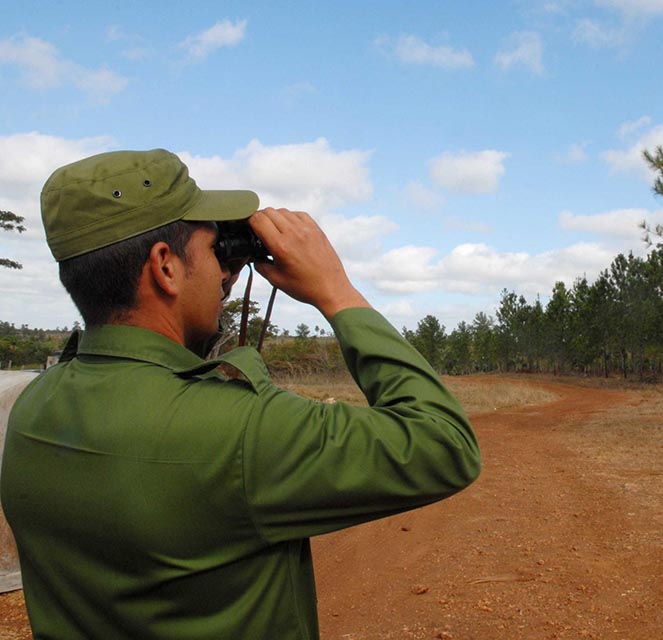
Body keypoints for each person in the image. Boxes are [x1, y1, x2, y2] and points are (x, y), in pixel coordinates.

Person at [0, 149, 481, 639]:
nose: (224, 271)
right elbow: (444, 442)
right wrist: (335, 290)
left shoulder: (31, 407)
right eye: (214, 251)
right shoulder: (238, 430)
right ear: (165, 267)